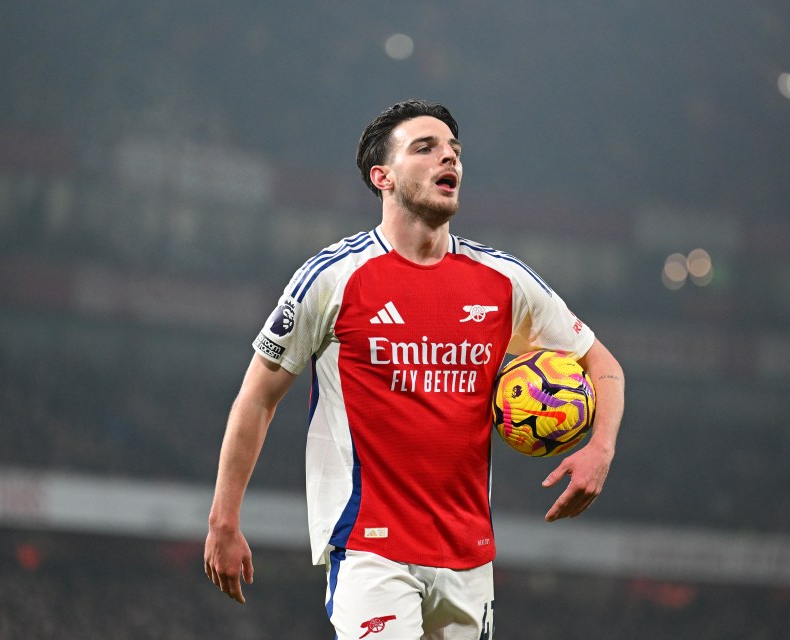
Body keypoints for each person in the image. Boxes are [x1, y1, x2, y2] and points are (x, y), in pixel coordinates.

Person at [204, 99, 625, 639]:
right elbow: (257, 397)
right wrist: (223, 517)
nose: (448, 157)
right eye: (425, 148)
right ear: (383, 176)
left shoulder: (504, 281)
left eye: (454, 150)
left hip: (468, 555)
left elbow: (602, 363)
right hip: (369, 548)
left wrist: (600, 448)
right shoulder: (334, 278)